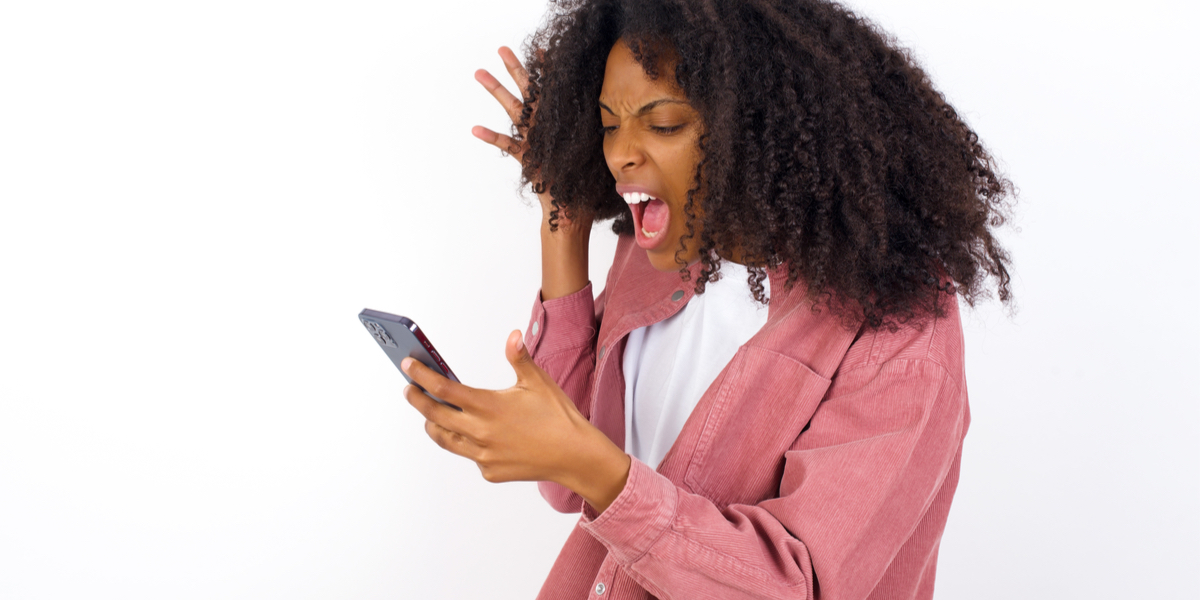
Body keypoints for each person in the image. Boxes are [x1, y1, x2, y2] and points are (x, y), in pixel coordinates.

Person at [399, 0, 1014, 598]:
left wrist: (591, 468)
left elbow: (795, 584)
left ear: (757, 125)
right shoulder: (656, 255)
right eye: (609, 124)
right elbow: (569, 486)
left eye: (663, 124)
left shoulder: (898, 331)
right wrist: (562, 220)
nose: (620, 153)